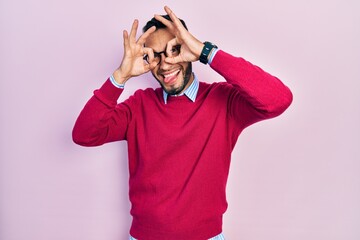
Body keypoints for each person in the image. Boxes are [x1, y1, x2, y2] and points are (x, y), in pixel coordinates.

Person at [72, 6, 293, 240]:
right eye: (155, 56)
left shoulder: (224, 103)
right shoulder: (139, 106)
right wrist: (120, 76)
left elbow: (279, 99)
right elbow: (84, 134)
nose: (165, 64)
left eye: (174, 50)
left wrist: (207, 52)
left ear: (188, 49)